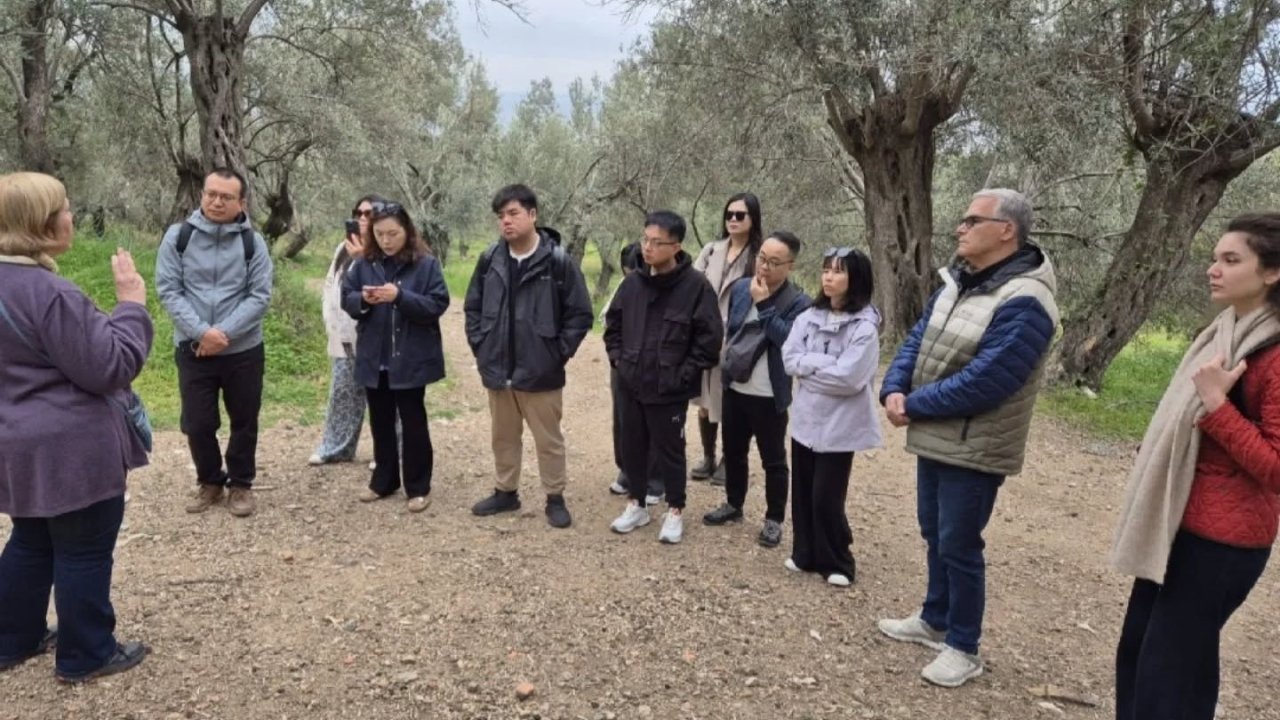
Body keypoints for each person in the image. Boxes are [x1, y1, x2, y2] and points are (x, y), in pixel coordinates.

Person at [876, 188, 1059, 688]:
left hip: (976, 444)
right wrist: (894, 386)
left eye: (972, 220)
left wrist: (914, 404)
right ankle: (934, 618)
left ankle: (963, 646)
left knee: (959, 542)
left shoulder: (1027, 300)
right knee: (934, 530)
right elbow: (918, 338)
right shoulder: (958, 281)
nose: (961, 227)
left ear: (1006, 231)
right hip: (940, 434)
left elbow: (990, 379)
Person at [1112, 213, 1280, 720]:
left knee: (1165, 676)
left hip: (1223, 544)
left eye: (1231, 260)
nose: (1213, 269)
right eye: (1214, 258)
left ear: (1272, 272)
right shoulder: (1223, 332)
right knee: (1143, 656)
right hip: (1177, 520)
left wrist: (1217, 407)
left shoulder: (1273, 354)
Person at [0, 172, 150, 682]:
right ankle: (87, 654)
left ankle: (11, 639)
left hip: (15, 444)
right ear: (42, 224)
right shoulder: (50, 293)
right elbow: (109, 367)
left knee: (31, 539)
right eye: (65, 208)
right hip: (71, 449)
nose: (72, 216)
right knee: (83, 547)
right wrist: (130, 306)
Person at [464, 184, 594, 529]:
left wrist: (556, 354)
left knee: (548, 440)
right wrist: (481, 345)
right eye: (501, 216)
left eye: (513, 213)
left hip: (541, 371)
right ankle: (505, 492)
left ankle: (555, 497)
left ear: (533, 215)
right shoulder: (490, 259)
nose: (506, 221)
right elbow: (473, 306)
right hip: (498, 369)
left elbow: (580, 314)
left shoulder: (558, 261)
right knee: (503, 437)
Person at [156, 168, 274, 518]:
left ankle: (241, 484)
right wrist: (202, 333)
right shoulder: (178, 237)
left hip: (243, 350)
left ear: (242, 203)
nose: (217, 202)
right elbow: (169, 290)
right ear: (202, 195)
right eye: (211, 194)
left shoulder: (253, 242)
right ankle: (209, 480)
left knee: (244, 420)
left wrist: (223, 334)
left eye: (226, 197)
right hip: (194, 349)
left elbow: (259, 295)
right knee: (197, 422)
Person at [606, 211, 723, 544]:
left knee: (670, 450)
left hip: (669, 388)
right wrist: (619, 361)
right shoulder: (632, 284)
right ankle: (636, 504)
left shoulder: (696, 287)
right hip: (631, 383)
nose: (648, 248)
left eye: (657, 242)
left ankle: (675, 510)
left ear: (676, 246)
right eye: (645, 240)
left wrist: (684, 374)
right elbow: (613, 326)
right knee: (632, 445)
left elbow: (709, 339)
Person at [702, 231, 811, 547]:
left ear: (790, 266)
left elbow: (787, 341)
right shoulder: (741, 288)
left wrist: (763, 304)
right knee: (733, 452)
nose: (764, 266)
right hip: (736, 387)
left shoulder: (799, 303)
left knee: (773, 460)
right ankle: (733, 504)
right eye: (762, 258)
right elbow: (734, 331)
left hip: (769, 394)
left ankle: (774, 519)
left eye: (774, 262)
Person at [781, 247, 881, 587]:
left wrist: (809, 369)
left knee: (827, 495)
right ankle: (805, 553)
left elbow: (850, 378)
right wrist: (823, 365)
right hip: (806, 418)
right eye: (826, 270)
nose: (828, 277)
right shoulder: (808, 317)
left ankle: (838, 560)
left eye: (838, 271)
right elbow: (789, 359)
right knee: (803, 491)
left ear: (856, 279)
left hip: (841, 424)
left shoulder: (864, 327)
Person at [341, 201, 449, 513]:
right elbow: (347, 297)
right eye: (380, 234)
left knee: (413, 422)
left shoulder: (426, 264)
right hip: (374, 357)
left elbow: (437, 304)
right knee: (381, 421)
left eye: (393, 234)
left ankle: (418, 487)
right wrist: (363, 299)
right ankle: (383, 481)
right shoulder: (364, 263)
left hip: (411, 357)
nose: (386, 240)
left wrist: (400, 297)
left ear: (407, 231)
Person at [690, 193, 763, 485]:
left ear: (753, 219)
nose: (733, 219)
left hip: (739, 337)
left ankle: (729, 460)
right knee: (705, 401)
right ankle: (708, 456)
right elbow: (693, 285)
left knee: (731, 402)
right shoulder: (711, 250)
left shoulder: (758, 256)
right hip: (706, 333)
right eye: (729, 214)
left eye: (740, 215)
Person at [309, 194, 383, 467]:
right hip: (344, 335)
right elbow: (332, 284)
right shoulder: (343, 248)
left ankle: (389, 452)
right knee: (343, 393)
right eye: (358, 213)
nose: (362, 218)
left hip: (376, 336)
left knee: (383, 398)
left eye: (369, 213)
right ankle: (337, 447)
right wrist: (329, 320)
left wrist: (363, 258)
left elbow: (381, 285)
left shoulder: (386, 248)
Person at [604, 241, 662, 503]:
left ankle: (656, 479)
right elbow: (611, 322)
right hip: (625, 365)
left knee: (655, 423)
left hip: (657, 367)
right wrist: (616, 357)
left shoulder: (675, 287)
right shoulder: (626, 286)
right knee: (623, 420)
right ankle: (627, 469)